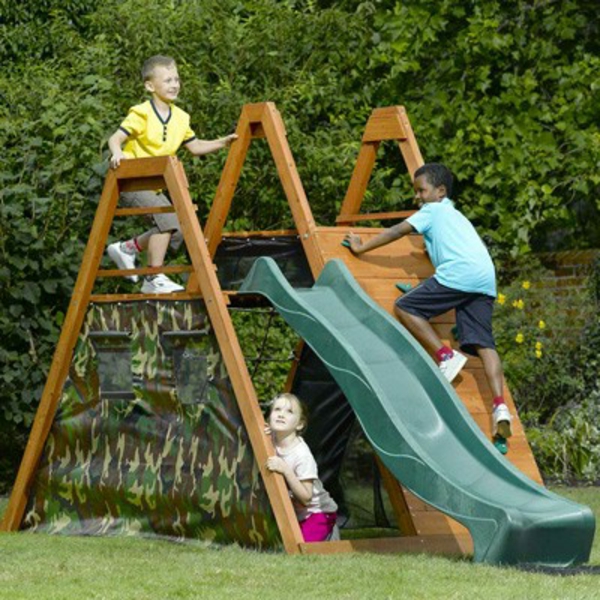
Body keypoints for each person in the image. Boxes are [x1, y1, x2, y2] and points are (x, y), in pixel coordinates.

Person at [344, 163, 512, 452]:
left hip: (460, 274)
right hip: (484, 277)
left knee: (406, 306)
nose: (417, 197)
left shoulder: (432, 211)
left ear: (440, 191)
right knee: (485, 344)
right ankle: (500, 408)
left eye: (421, 190)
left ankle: (446, 356)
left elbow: (397, 231)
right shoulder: (456, 216)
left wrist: (361, 247)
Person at [107, 55, 237, 294]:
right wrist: (118, 153)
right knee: (167, 223)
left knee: (176, 230)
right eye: (167, 80)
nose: (174, 84)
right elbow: (115, 138)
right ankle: (152, 277)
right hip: (131, 181)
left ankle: (128, 248)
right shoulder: (142, 113)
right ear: (150, 86)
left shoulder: (181, 117)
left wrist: (223, 142)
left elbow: (195, 147)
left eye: (176, 79)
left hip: (155, 185)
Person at [265, 393, 339, 542]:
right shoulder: (268, 439)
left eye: (289, 411)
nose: (281, 414)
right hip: (294, 514)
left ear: (299, 424)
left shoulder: (301, 455)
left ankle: (330, 533)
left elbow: (306, 497)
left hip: (318, 512)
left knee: (301, 547)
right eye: (277, 409)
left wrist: (285, 470)